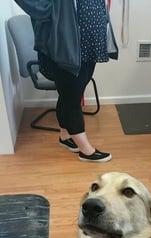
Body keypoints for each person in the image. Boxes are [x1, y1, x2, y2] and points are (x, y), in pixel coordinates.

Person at [14, 0, 118, 162]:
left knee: (70, 93)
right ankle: (85, 150)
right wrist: (49, 9)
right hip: (65, 43)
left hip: (90, 42)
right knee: (72, 97)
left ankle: (65, 136)